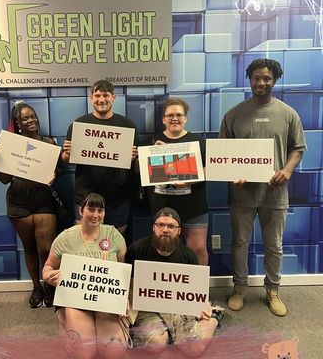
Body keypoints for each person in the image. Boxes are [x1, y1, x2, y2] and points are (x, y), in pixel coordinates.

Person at [219, 58, 307, 317]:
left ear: (274, 80)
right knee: (239, 243)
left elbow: (297, 148)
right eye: (256, 78)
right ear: (249, 79)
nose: (261, 83)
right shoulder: (233, 114)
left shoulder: (288, 114)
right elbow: (223, 153)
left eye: (266, 78)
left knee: (274, 245)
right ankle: (239, 289)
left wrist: (287, 170)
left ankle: (273, 291)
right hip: (242, 193)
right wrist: (232, 174)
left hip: (274, 192)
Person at [42, 193, 128, 359]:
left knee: (113, 351)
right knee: (84, 353)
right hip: (75, 301)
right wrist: (48, 275)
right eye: (91, 209)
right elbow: (48, 266)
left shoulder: (113, 235)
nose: (95, 215)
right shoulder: (65, 237)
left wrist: (124, 299)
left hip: (106, 300)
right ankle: (65, 321)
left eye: (100, 210)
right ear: (81, 211)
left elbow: (121, 270)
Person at [125, 207, 219, 356]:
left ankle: (213, 320)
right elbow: (129, 286)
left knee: (193, 349)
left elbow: (195, 290)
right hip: (147, 307)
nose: (165, 230)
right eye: (161, 225)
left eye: (171, 226)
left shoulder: (188, 256)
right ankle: (168, 333)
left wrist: (203, 305)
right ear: (154, 228)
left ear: (178, 231)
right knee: (156, 344)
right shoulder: (136, 250)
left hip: (176, 305)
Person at [0, 101, 58, 308]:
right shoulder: (10, 145)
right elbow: (4, 180)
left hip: (44, 199)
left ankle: (49, 285)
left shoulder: (49, 142)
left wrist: (53, 176)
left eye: (32, 116)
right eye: (25, 118)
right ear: (18, 123)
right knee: (29, 247)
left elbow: (56, 172)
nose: (30, 120)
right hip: (19, 200)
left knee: (45, 248)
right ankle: (36, 287)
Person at [61, 80, 139, 235]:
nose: (101, 99)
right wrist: (67, 154)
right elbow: (67, 159)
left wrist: (132, 158)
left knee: (115, 240)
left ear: (113, 97)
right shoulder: (78, 125)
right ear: (91, 98)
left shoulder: (127, 125)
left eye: (106, 95)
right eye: (97, 95)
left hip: (118, 197)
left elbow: (136, 163)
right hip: (86, 195)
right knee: (84, 240)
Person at [146, 98, 209, 265]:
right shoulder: (152, 141)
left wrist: (190, 181)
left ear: (185, 118)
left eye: (179, 115)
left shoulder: (199, 142)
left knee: (198, 249)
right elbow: (140, 170)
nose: (175, 118)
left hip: (193, 207)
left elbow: (210, 169)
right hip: (162, 207)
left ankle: (198, 283)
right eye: (170, 115)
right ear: (163, 119)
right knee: (164, 250)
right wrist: (151, 156)